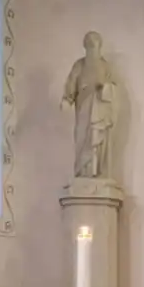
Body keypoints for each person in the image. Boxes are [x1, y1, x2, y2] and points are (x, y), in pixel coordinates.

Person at [60, 31, 117, 179]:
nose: (92, 49)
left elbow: (113, 88)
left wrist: (104, 87)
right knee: (82, 139)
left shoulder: (105, 66)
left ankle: (97, 172)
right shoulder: (79, 65)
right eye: (89, 46)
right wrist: (67, 99)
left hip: (100, 111)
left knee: (97, 139)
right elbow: (71, 83)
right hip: (83, 109)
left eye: (95, 46)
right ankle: (83, 172)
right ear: (85, 47)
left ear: (99, 47)